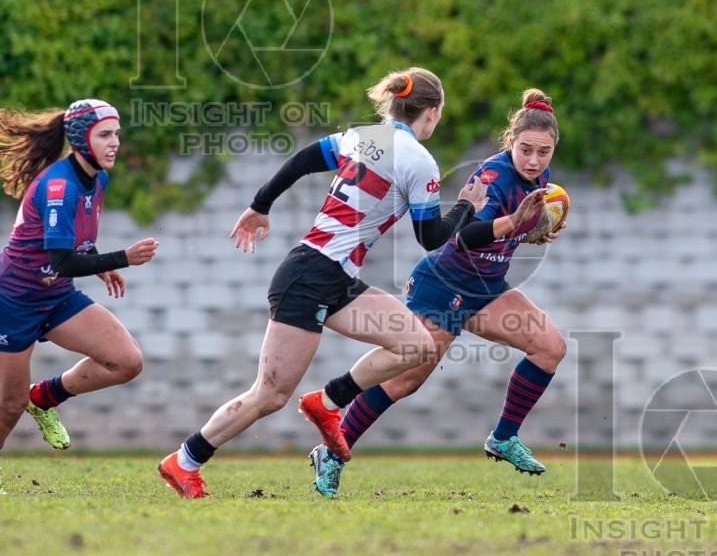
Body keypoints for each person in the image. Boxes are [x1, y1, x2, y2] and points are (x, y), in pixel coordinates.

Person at [157, 66, 487, 499]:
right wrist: (465, 206)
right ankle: (185, 460)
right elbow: (431, 237)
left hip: (335, 277)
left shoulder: (360, 136)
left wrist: (260, 204)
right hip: (310, 276)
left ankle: (328, 401)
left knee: (418, 345)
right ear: (433, 112)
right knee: (270, 395)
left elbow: (302, 160)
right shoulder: (419, 160)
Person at [300, 88, 567, 496]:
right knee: (405, 380)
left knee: (550, 348)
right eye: (525, 150)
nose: (533, 160)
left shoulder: (540, 180)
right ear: (510, 142)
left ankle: (503, 438)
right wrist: (516, 221)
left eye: (543, 152)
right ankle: (331, 454)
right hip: (444, 284)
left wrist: (533, 231)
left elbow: (509, 231)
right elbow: (465, 236)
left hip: (486, 289)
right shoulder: (492, 177)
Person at [0, 99, 158, 454]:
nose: (115, 143)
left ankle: (43, 398)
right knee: (9, 406)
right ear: (81, 139)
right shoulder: (60, 186)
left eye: (116, 134)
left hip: (56, 296)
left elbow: (73, 239)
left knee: (126, 361)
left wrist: (98, 262)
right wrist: (123, 258)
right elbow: (60, 261)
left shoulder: (98, 177)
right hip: (15, 301)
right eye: (104, 135)